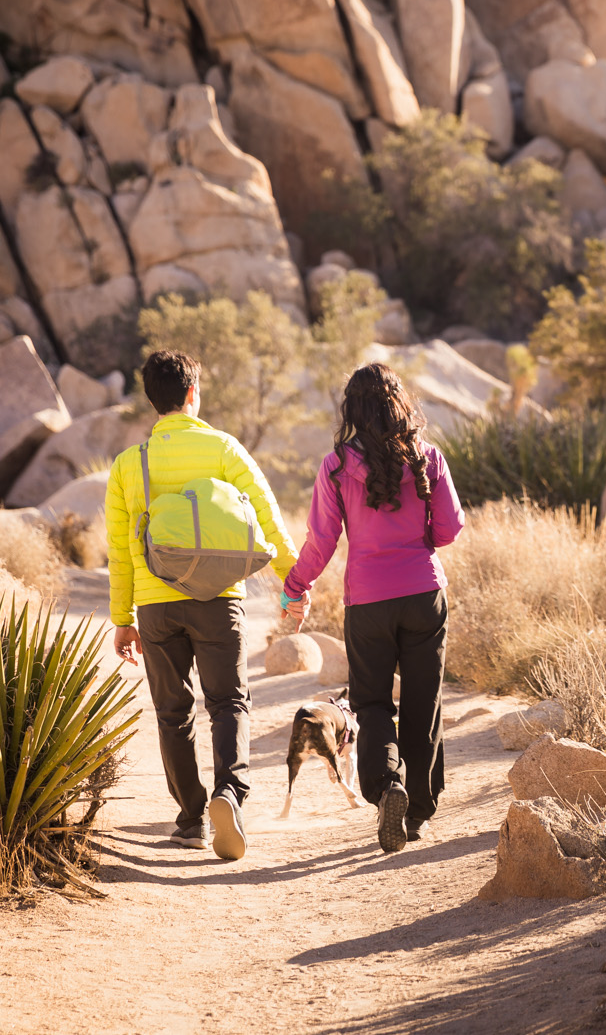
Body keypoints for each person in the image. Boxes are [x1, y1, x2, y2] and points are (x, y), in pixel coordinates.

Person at [107, 350, 297, 861]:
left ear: (152, 401)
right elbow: (266, 514)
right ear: (193, 393)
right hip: (218, 597)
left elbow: (121, 550)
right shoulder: (224, 448)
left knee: (173, 713)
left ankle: (190, 820)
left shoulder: (130, 464)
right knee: (229, 703)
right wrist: (292, 580)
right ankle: (228, 796)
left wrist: (123, 619)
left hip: (155, 603)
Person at [283, 363, 464, 853]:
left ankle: (388, 787)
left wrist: (295, 586)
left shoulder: (337, 465)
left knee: (374, 703)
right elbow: (449, 530)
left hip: (367, 601)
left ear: (352, 410)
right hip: (425, 595)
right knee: (424, 702)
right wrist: (416, 542)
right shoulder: (427, 456)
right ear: (399, 403)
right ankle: (420, 811)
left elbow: (321, 542)